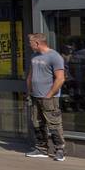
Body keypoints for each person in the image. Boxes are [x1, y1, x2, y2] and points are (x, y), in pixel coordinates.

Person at [27, 33, 67, 161]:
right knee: (37, 123)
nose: (29, 44)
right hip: (35, 96)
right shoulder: (34, 56)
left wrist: (49, 95)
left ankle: (60, 150)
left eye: (31, 42)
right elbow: (30, 75)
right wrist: (29, 91)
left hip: (49, 98)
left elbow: (60, 79)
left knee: (54, 124)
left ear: (37, 43)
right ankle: (41, 148)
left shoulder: (54, 57)